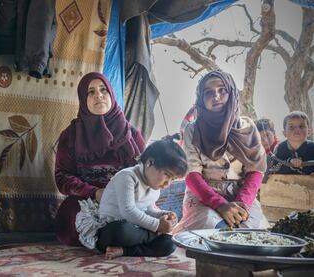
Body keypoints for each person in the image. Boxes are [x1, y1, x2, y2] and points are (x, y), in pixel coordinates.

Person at [54, 72, 145, 246]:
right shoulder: (71, 135)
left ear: (111, 93)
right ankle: (119, 237)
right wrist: (95, 193)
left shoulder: (131, 133)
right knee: (67, 226)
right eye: (91, 92)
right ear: (83, 98)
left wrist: (122, 195)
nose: (99, 95)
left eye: (104, 90)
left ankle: (116, 236)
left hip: (125, 198)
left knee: (148, 221)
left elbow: (145, 173)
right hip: (87, 200)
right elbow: (62, 177)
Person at [173, 70, 269, 231]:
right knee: (215, 230)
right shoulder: (193, 130)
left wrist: (242, 204)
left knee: (250, 232)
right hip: (202, 196)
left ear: (232, 93)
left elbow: (256, 170)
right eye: (208, 93)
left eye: (222, 90)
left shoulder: (247, 127)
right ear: (201, 100)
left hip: (241, 195)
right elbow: (191, 174)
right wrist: (220, 204)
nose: (215, 96)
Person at [76, 139, 188, 259]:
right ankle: (149, 237)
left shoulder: (155, 187)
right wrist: (158, 226)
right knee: (122, 230)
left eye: (173, 179)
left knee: (169, 244)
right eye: (167, 175)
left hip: (137, 230)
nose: (168, 183)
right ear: (150, 162)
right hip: (111, 229)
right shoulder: (127, 177)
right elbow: (128, 211)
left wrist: (163, 214)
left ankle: (125, 251)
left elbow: (148, 210)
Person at [272, 111, 314, 175]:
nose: (297, 129)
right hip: (283, 184)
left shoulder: (312, 147)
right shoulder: (279, 148)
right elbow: (273, 168)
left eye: (301, 126)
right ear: (284, 133)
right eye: (291, 127)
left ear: (309, 131)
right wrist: (288, 162)